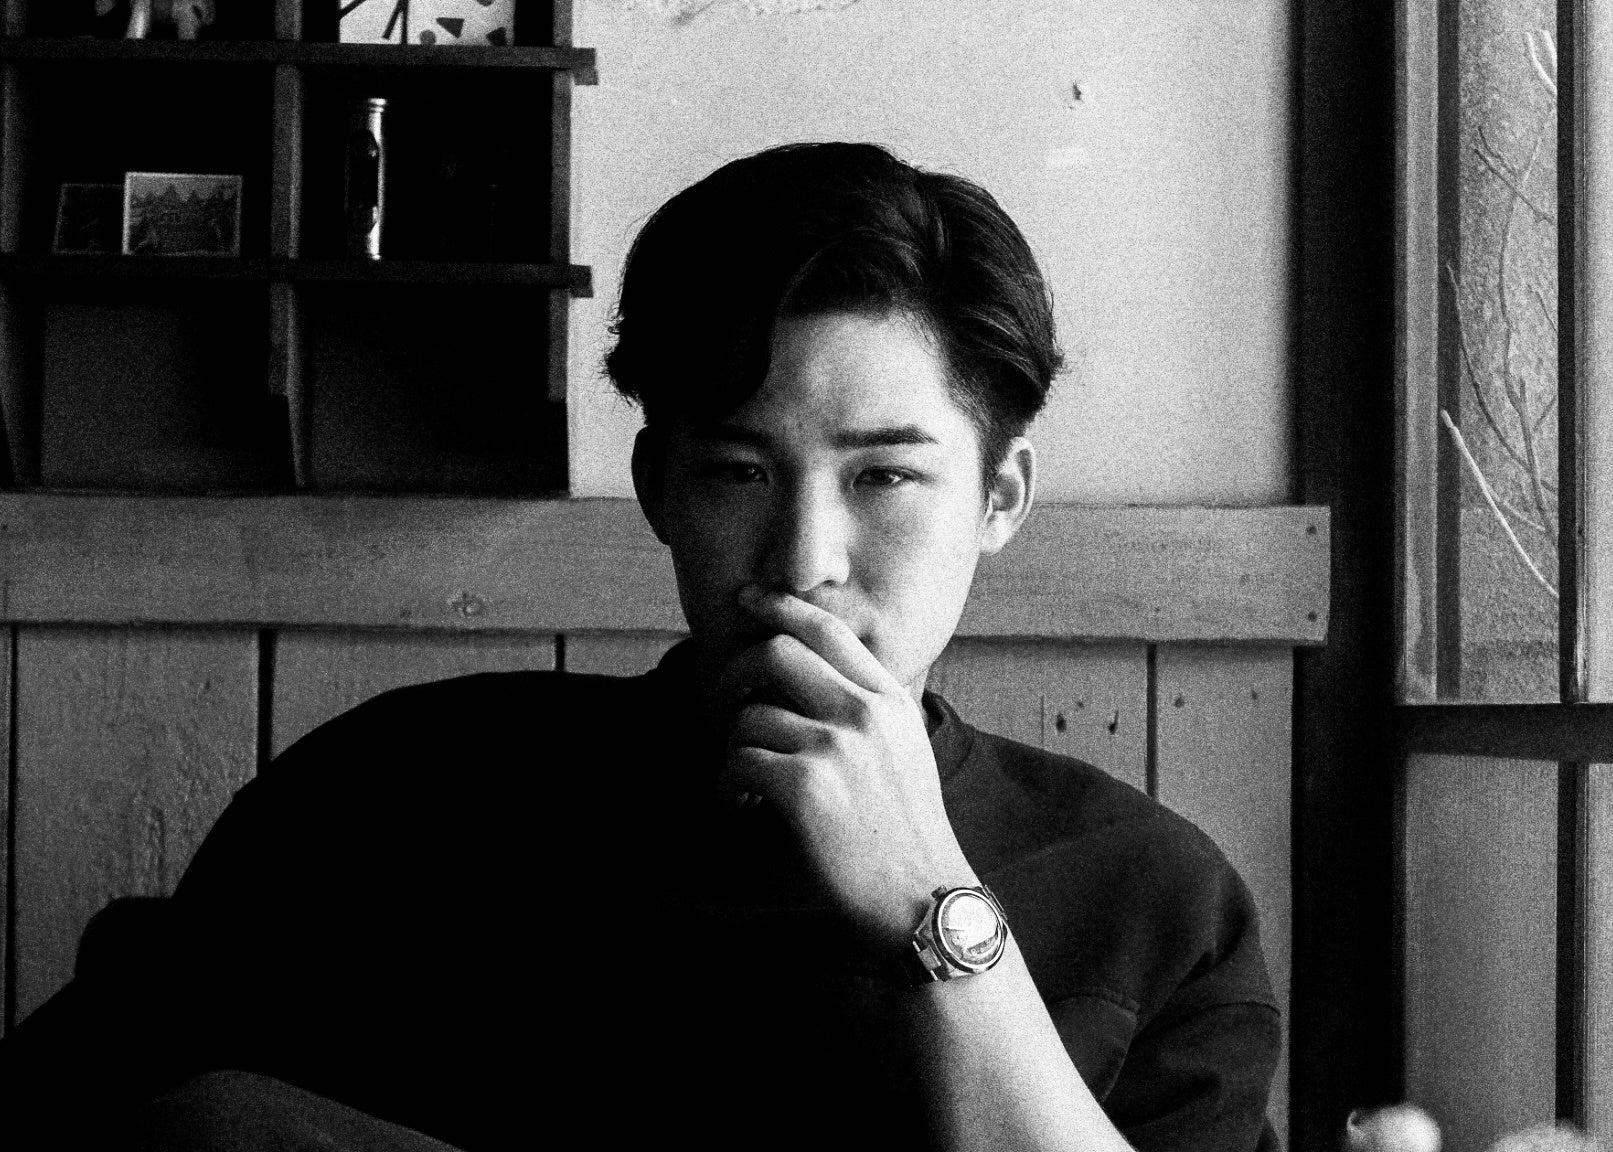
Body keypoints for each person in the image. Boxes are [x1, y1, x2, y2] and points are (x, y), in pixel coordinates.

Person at [0, 142, 1279, 1151]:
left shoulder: (1150, 898)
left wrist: (929, 904)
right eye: (736, 471)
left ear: (998, 498)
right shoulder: (389, 792)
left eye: (884, 476)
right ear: (658, 486)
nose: (803, 560)